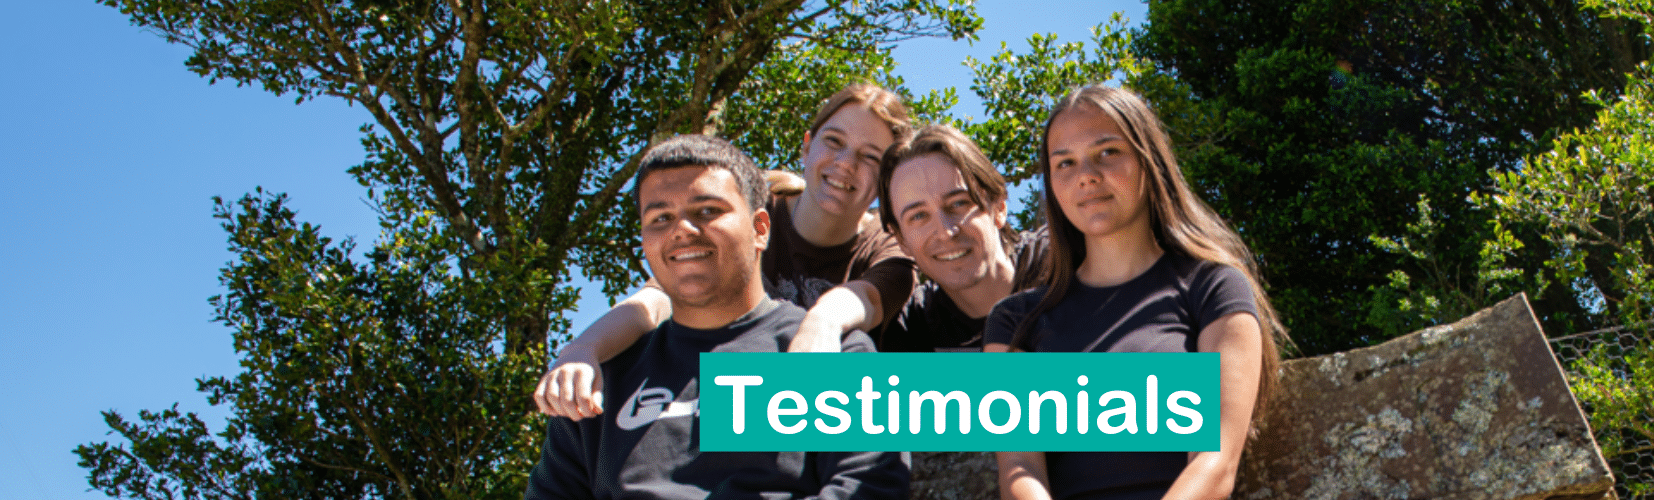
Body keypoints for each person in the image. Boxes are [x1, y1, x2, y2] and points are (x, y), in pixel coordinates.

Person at [525, 134, 908, 499]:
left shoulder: (834, 353)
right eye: (660, 218)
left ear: (760, 229)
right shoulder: (605, 380)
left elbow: (873, 486)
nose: (682, 231)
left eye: (707, 211)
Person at [536, 83, 918, 420]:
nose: (845, 164)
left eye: (871, 157)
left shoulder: (889, 245)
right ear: (806, 145)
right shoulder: (747, 213)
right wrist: (583, 349)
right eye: (834, 142)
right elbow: (657, 300)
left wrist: (822, 324)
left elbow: (868, 296)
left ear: (886, 178)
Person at [982, 86, 1286, 500]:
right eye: (1065, 163)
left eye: (1107, 152)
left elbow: (1215, 464)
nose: (1086, 175)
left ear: (1149, 161)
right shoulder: (1014, 321)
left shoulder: (1213, 286)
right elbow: (1019, 467)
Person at [873, 123, 1045, 352]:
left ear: (999, 207)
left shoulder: (1065, 264)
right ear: (902, 240)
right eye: (919, 216)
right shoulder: (912, 327)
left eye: (958, 203)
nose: (945, 231)